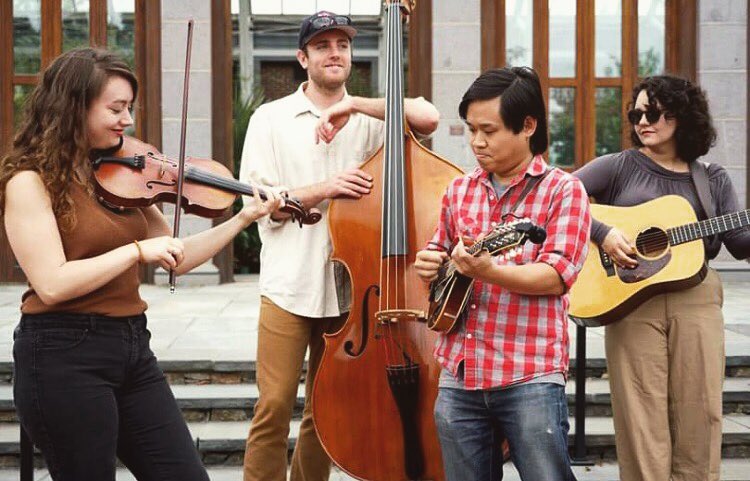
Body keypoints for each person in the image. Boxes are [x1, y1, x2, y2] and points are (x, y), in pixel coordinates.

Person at [0, 47, 282, 481]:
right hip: (62, 354)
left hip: (131, 346)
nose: (127, 121)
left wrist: (244, 218)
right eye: (116, 109)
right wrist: (134, 252)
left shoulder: (118, 177)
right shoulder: (28, 183)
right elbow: (52, 284)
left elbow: (176, 257)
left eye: (129, 108)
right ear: (73, 106)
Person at [238, 10, 440, 481]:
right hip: (289, 284)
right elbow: (257, 203)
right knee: (273, 405)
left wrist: (356, 106)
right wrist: (323, 188)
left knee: (324, 410)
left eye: (342, 45)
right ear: (302, 57)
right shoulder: (270, 119)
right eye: (323, 45)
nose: (334, 53)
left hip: (352, 293)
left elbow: (428, 116)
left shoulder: (371, 118)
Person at [414, 67, 590, 481]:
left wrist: (490, 271)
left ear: (528, 125)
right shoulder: (459, 190)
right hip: (460, 370)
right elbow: (441, 252)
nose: (477, 141)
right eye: (471, 129)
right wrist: (430, 263)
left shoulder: (563, 190)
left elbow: (556, 275)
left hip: (529, 372)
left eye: (488, 130)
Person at [573, 75, 750, 481]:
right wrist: (602, 233)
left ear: (681, 116)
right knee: (639, 413)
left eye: (652, 113)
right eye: (636, 114)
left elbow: (739, 242)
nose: (642, 122)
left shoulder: (712, 177)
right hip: (632, 298)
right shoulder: (619, 166)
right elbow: (554, 195)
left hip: (697, 297)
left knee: (700, 408)